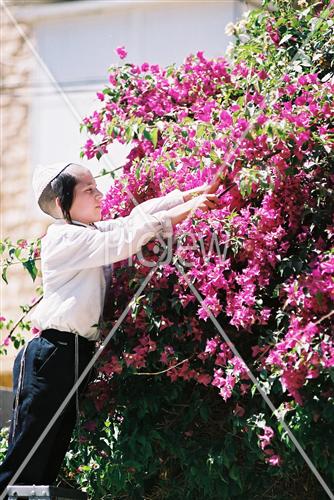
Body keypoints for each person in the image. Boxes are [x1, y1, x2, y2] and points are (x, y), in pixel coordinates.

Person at [0, 162, 221, 493]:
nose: (99, 195)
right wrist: (188, 209)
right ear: (62, 203)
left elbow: (134, 219)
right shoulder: (63, 238)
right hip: (51, 356)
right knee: (26, 459)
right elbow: (130, 237)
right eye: (88, 190)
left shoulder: (90, 231)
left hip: (73, 355)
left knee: (50, 455)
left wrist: (188, 195)